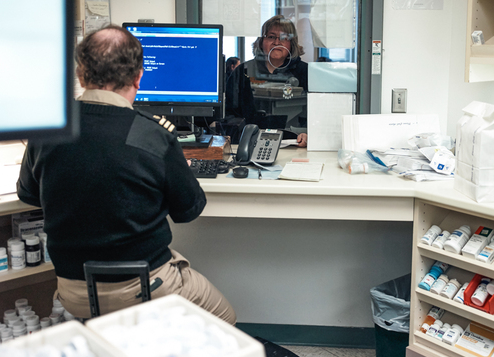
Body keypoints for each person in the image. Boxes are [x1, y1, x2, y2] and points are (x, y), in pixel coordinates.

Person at [17, 25, 236, 324]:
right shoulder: (154, 135)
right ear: (138, 77)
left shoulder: (47, 129)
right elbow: (189, 211)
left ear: (81, 75)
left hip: (74, 292)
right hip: (143, 287)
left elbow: (28, 194)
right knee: (226, 319)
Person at [225, 15, 308, 147]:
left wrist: (307, 134)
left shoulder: (305, 72)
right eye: (271, 37)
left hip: (294, 144)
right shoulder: (243, 72)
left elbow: (313, 114)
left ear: (291, 43)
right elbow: (229, 115)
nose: (276, 42)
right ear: (261, 41)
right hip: (249, 143)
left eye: (283, 38)